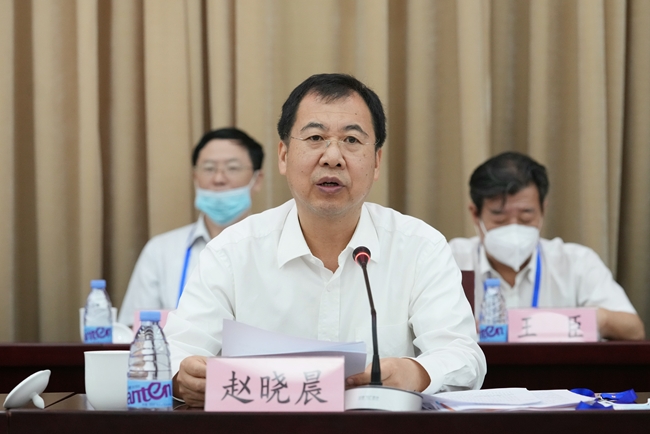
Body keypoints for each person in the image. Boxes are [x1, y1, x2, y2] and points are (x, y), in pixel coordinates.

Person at [164, 73, 486, 407]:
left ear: (376, 161)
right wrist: (182, 377)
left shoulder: (420, 247)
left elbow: (463, 356)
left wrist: (415, 372)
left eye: (352, 140)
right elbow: (175, 352)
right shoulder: (232, 252)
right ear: (284, 156)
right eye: (315, 137)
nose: (332, 157)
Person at [449, 151, 644, 341]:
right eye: (499, 218)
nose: (513, 227)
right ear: (475, 214)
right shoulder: (452, 260)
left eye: (526, 217)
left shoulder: (576, 262)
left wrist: (582, 319)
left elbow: (634, 330)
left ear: (543, 210)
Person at [117, 128, 264, 326]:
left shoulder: (274, 246)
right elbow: (135, 330)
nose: (219, 179)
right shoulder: (160, 250)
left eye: (232, 168)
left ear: (257, 180)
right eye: (209, 168)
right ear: (195, 177)